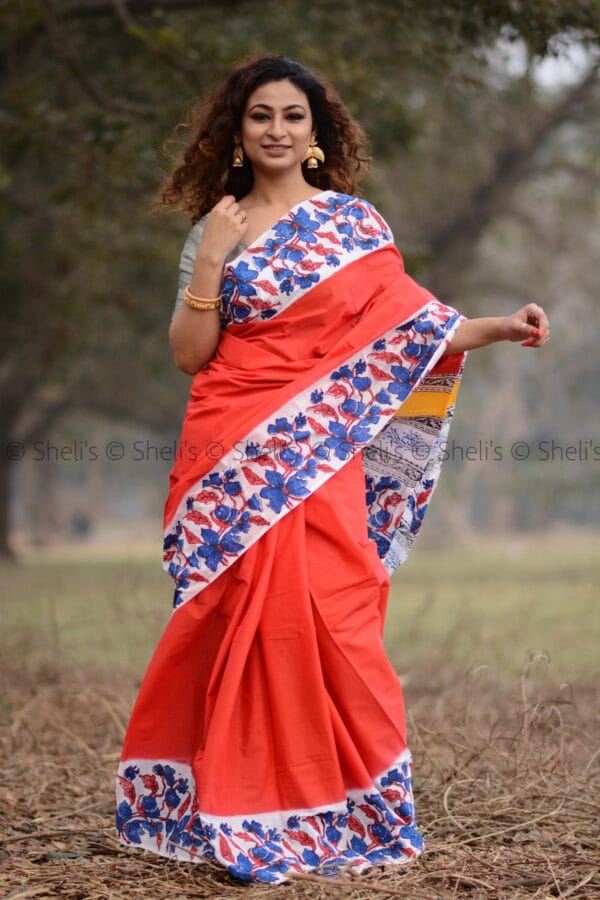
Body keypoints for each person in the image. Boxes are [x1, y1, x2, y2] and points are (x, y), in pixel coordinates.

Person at [115, 54, 550, 885]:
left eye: (293, 117)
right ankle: (226, 805)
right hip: (233, 457)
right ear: (235, 131)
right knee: (230, 624)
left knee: (338, 625)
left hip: (319, 460)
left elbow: (412, 328)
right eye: (260, 117)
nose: (276, 131)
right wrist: (210, 257)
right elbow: (189, 355)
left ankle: (353, 808)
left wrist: (497, 325)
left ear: (316, 132)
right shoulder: (216, 227)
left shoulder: (354, 228)